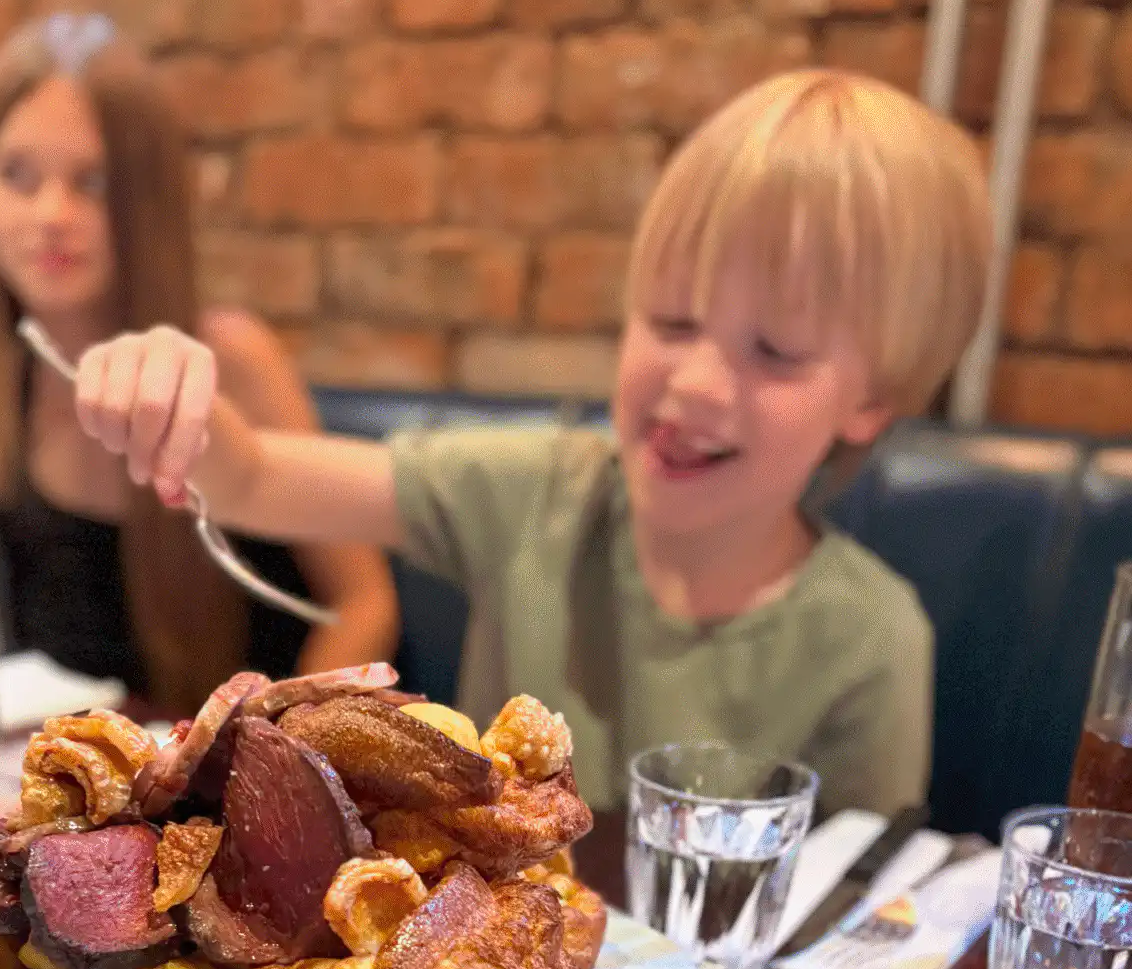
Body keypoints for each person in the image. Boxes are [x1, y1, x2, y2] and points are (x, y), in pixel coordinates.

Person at [65, 69, 993, 814]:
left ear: (873, 400)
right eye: (672, 321)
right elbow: (258, 477)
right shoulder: (538, 493)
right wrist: (174, 391)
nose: (697, 383)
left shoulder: (872, 640)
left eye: (776, 352)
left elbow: (857, 912)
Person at [0, 13, 397, 715]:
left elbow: (364, 601)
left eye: (94, 181)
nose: (50, 214)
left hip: (243, 761)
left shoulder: (233, 362)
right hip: (55, 771)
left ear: (148, 202)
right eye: (16, 175)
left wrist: (283, 746)